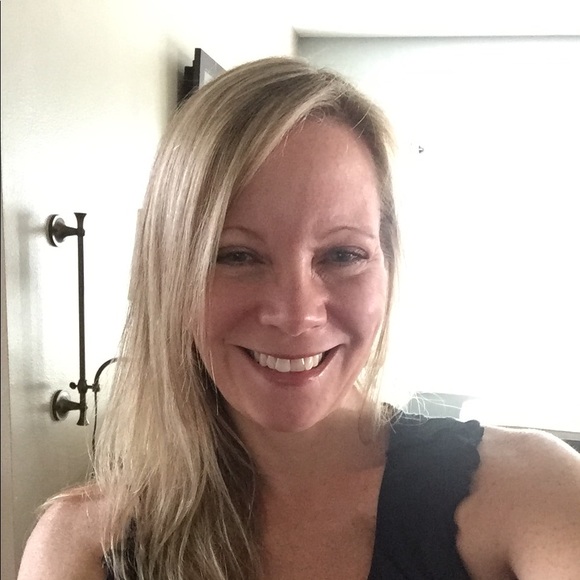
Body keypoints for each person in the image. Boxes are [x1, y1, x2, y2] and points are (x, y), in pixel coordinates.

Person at [18, 56, 580, 580]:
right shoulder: (82, 545)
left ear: (387, 264)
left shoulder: (527, 493)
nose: (295, 315)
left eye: (343, 255)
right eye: (236, 255)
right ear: (170, 275)